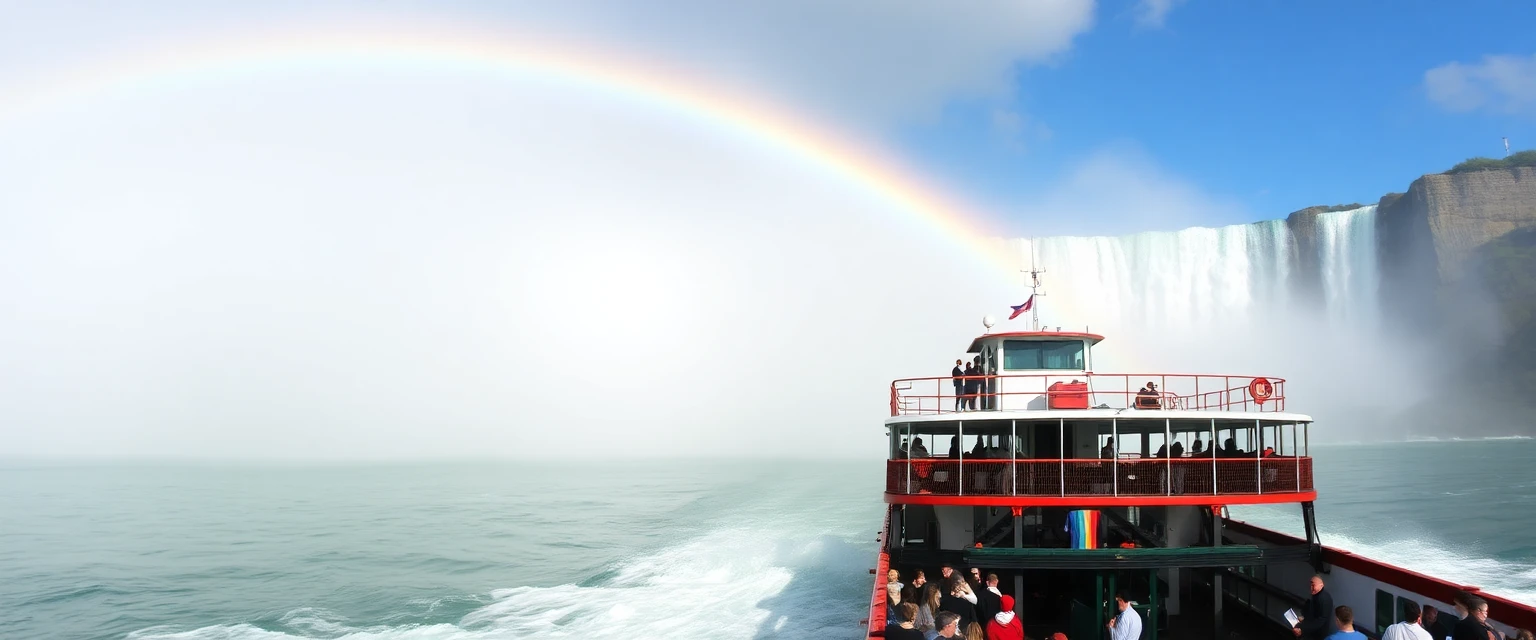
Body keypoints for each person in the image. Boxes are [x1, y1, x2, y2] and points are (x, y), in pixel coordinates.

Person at [1294, 575, 1335, 640]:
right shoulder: (1317, 596)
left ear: (1321, 585)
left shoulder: (1324, 599)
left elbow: (1320, 620)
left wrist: (1303, 628)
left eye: (1313, 585)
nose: (1311, 588)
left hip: (1316, 635)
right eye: (1310, 585)